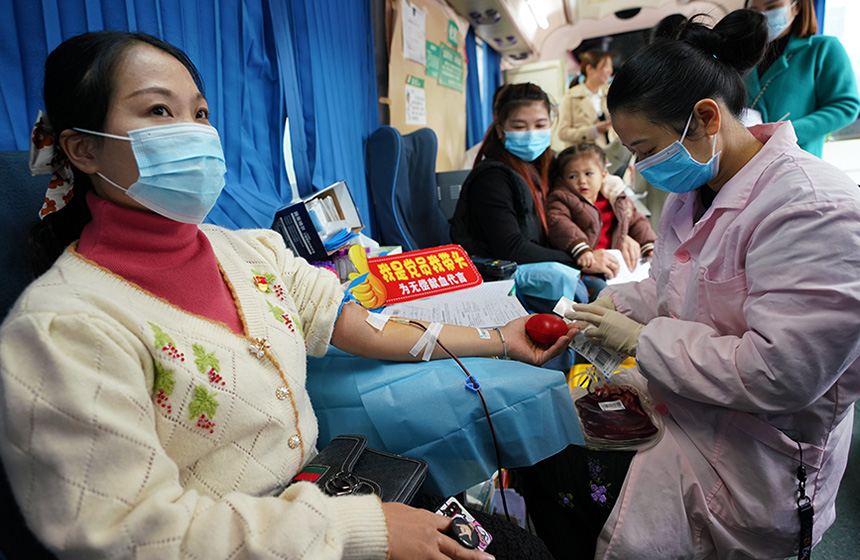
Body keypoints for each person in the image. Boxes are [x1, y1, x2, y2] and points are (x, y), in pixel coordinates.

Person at [0, 31, 575, 560]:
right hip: (294, 537)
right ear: (82, 149)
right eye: (158, 111)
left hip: (322, 498)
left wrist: (500, 340)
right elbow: (129, 536)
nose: (195, 133)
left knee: (518, 548)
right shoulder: (62, 328)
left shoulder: (250, 252)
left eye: (200, 113)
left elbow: (357, 324)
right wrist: (359, 530)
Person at [519, 9, 860, 559]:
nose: (638, 168)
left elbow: (779, 373)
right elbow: (672, 289)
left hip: (756, 459)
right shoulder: (695, 192)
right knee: (539, 437)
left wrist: (640, 340)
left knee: (557, 466)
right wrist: (606, 308)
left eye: (645, 149)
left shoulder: (813, 209)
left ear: (705, 117)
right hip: (688, 407)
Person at [450, 82, 620, 281]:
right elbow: (511, 248)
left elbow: (591, 176)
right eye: (519, 127)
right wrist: (583, 260)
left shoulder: (547, 163)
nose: (531, 133)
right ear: (500, 130)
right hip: (505, 279)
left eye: (540, 125)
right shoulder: (492, 178)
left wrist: (625, 233)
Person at [744, 0, 860, 157]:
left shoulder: (823, 48)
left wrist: (786, 132)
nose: (764, 16)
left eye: (772, 7)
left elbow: (846, 106)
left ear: (796, 6)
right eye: (755, 11)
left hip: (795, 160)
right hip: (746, 161)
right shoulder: (744, 56)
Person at [546, 144, 655, 291]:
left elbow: (636, 220)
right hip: (586, 264)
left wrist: (648, 245)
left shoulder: (616, 197)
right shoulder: (561, 198)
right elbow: (560, 223)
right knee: (601, 292)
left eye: (588, 173)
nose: (582, 181)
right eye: (573, 176)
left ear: (603, 175)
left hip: (616, 265)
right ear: (564, 180)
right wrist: (580, 248)